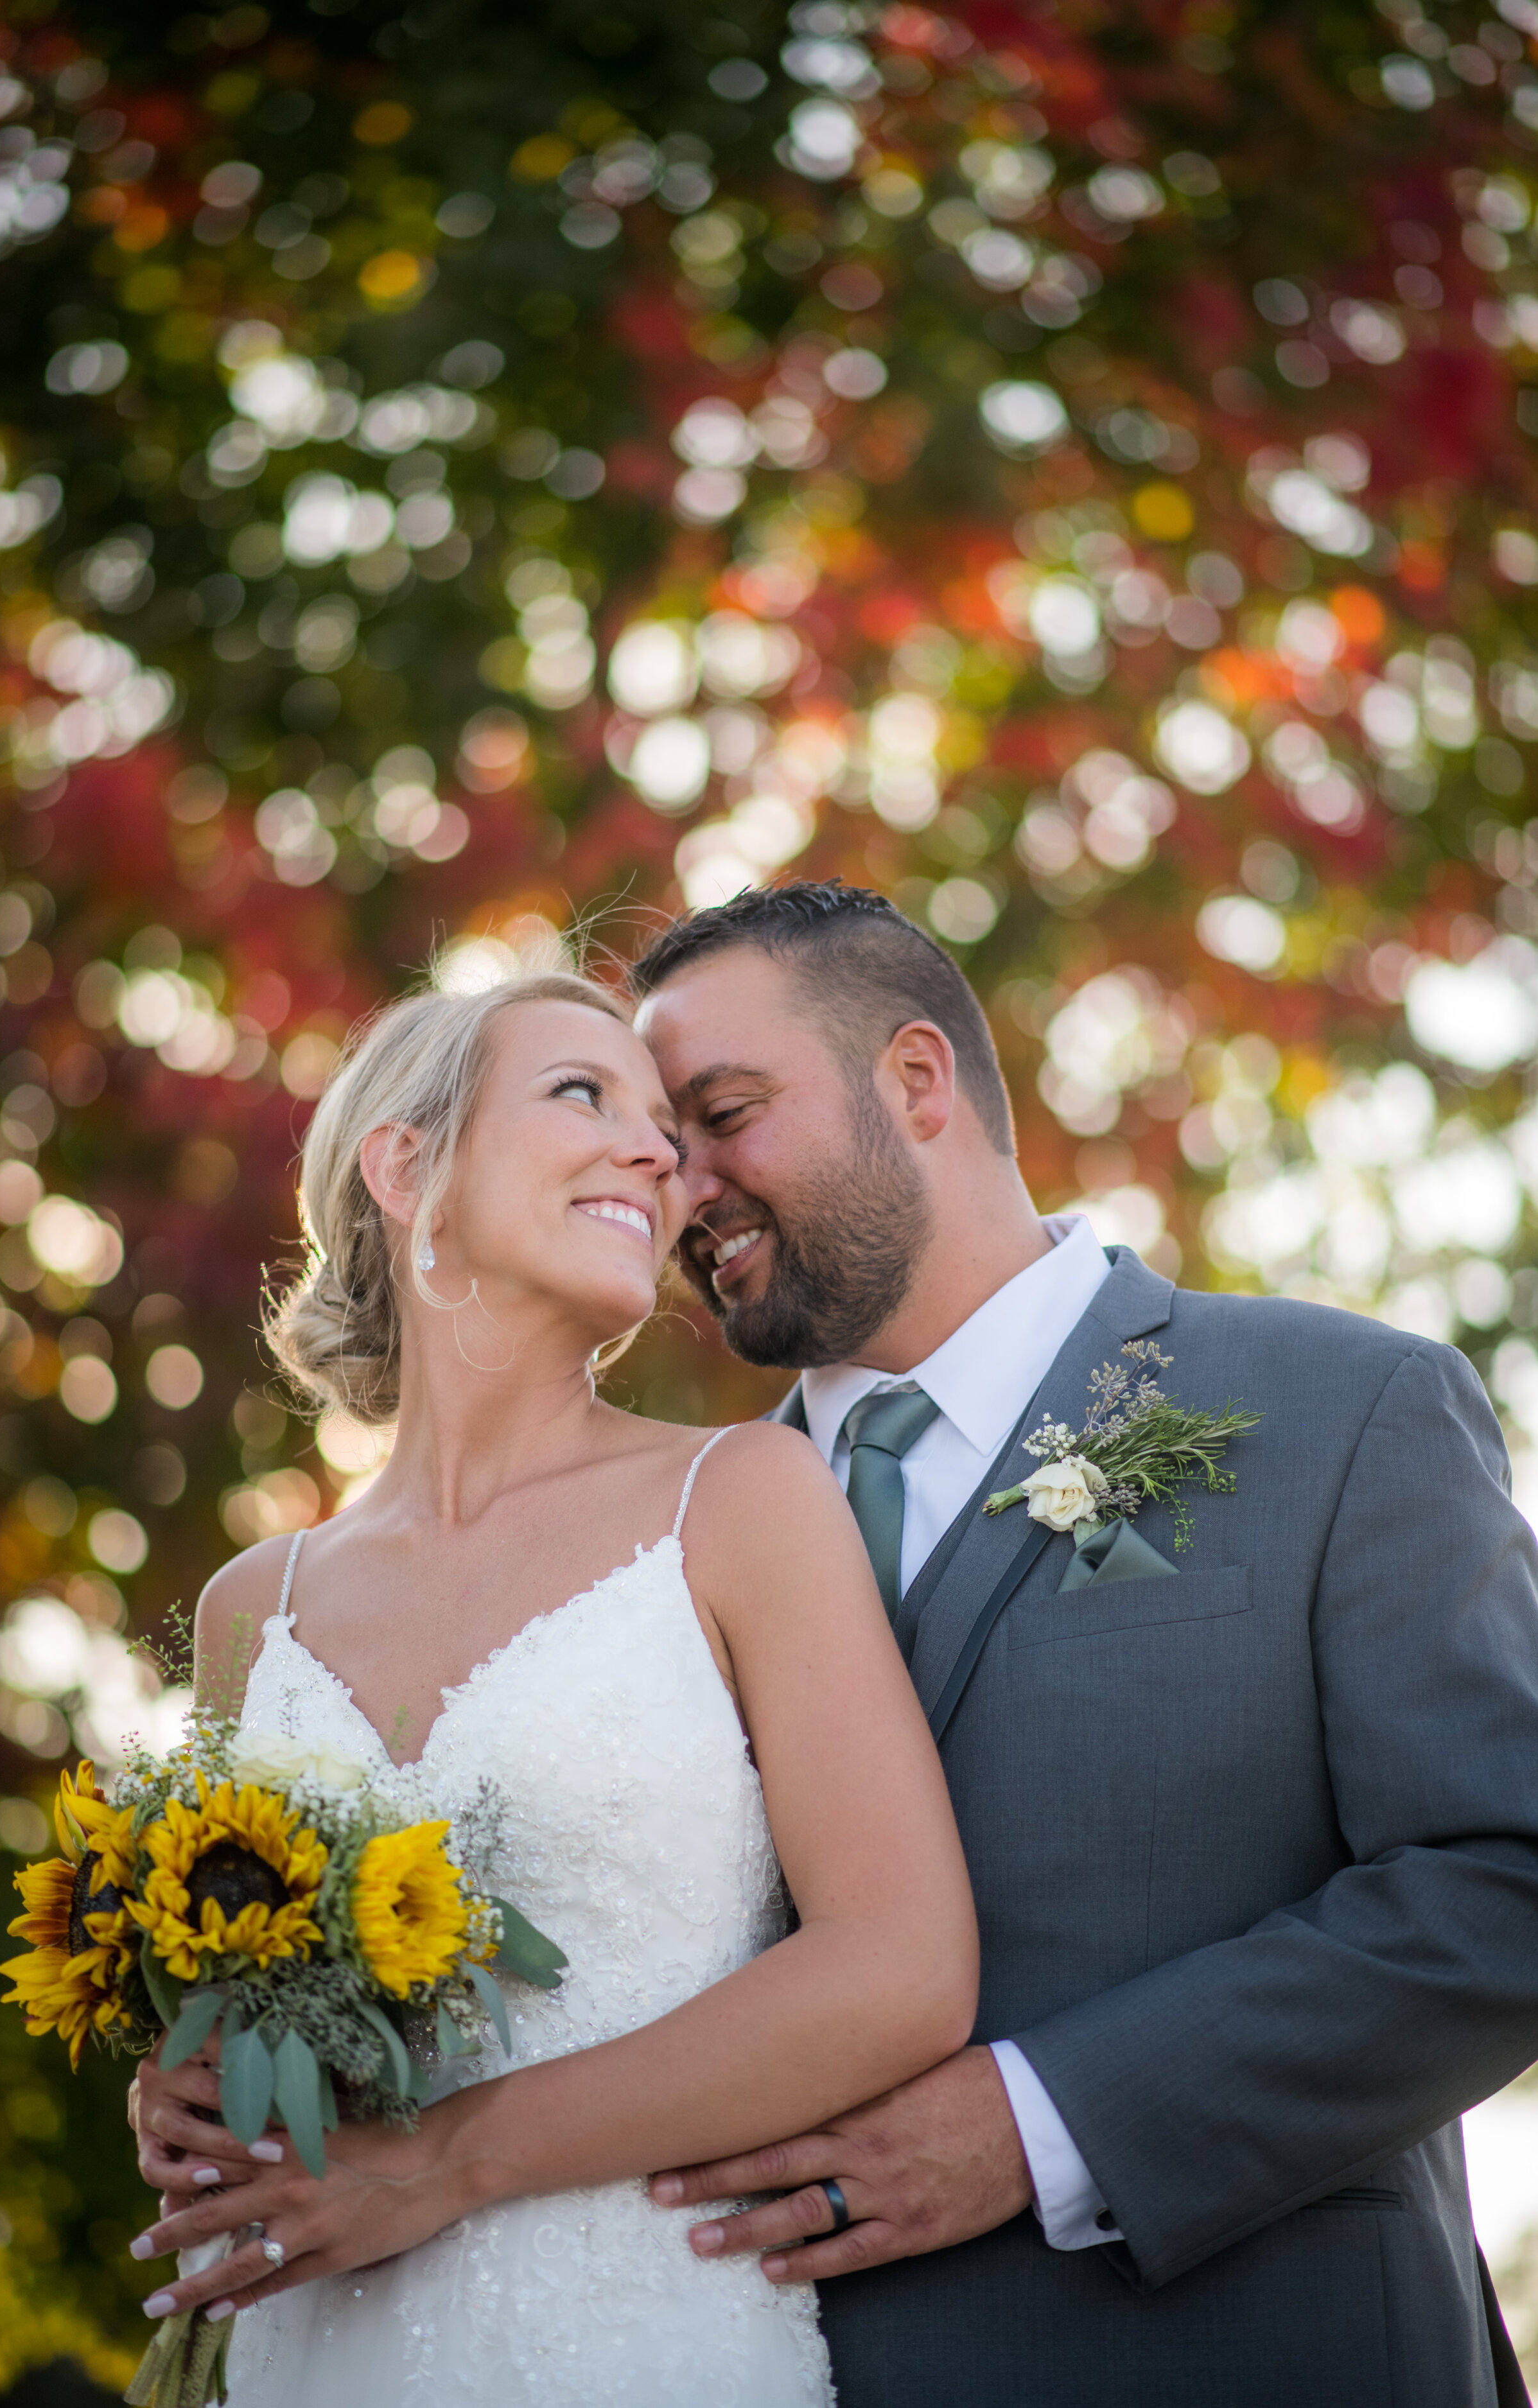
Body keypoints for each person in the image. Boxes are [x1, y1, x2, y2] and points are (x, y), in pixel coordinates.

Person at [627, 880, 1538, 2408]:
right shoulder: (651, 1544)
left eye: (721, 1114)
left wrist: (1043, 2125)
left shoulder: (1342, 1409)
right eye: (659, 1156)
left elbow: (1503, 1879)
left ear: (914, 1081)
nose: (684, 1190)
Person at [125, 967, 979, 2405]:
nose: (660, 1154)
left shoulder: (741, 1497)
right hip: (313, 2345)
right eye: (583, 1094)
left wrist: (444, 2165)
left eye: (667, 1125)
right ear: (408, 1168)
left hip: (640, 2336)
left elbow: (898, 1970)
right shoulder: (249, 1612)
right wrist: (181, 2085)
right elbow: (229, 2000)